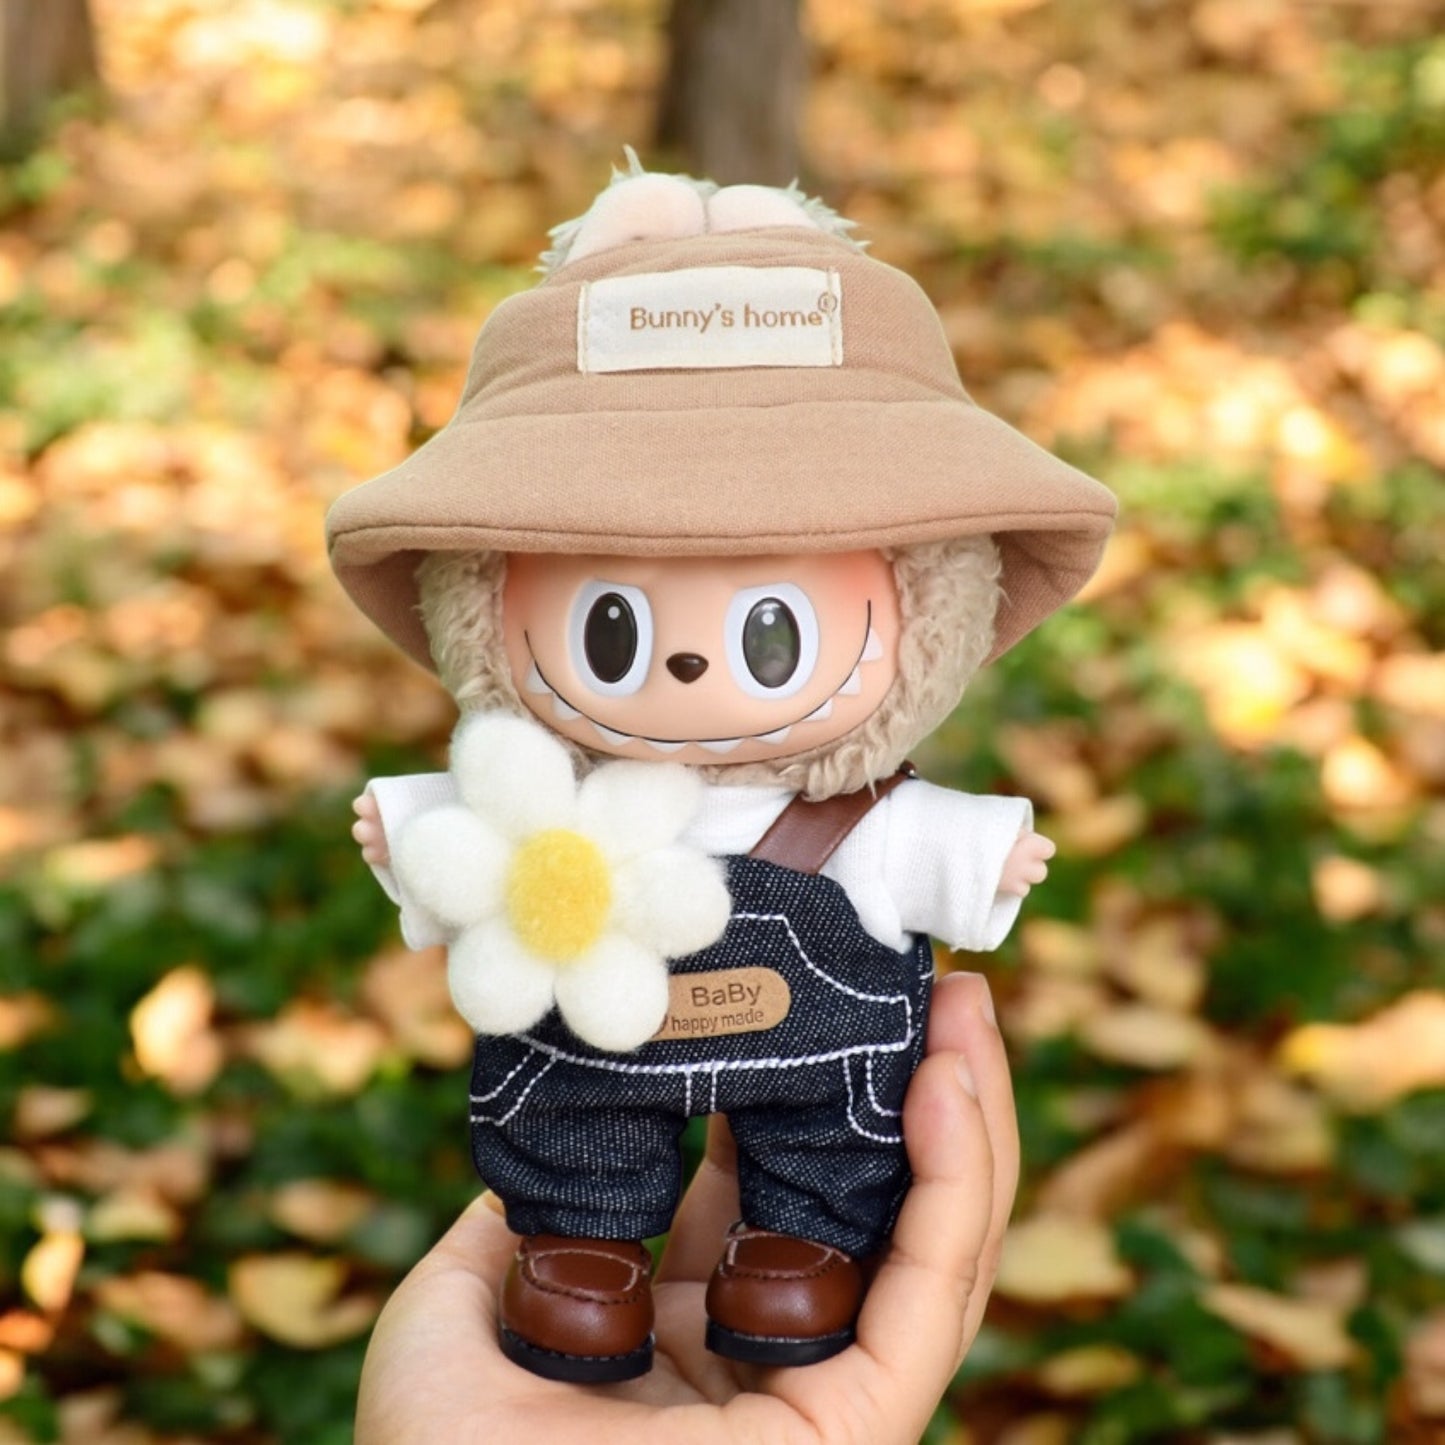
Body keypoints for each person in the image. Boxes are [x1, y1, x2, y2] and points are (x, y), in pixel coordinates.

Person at [355, 970, 1016, 1445]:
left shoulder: (854, 804)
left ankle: (800, 1222)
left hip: (808, 999)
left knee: (824, 1117)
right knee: (581, 1104)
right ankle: (585, 1225)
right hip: (605, 962)